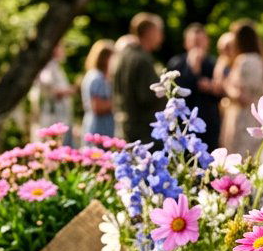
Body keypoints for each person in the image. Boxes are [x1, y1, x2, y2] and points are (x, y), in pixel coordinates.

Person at [220, 20, 263, 154]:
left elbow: (243, 97)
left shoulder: (244, 61)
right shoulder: (262, 61)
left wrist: (226, 86)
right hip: (258, 117)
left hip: (243, 118)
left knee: (238, 159)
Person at [113, 13, 165, 143]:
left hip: (126, 125)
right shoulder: (142, 60)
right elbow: (147, 96)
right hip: (143, 131)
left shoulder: (124, 56)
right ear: (150, 32)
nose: (161, 37)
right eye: (159, 32)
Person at [167, 23, 221, 149]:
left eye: (200, 41)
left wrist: (212, 87)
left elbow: (221, 92)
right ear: (186, 43)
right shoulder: (176, 64)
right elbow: (173, 92)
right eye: (194, 42)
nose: (197, 46)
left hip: (209, 122)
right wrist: (194, 71)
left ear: (207, 42)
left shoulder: (214, 63)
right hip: (182, 123)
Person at [31, 42, 76, 140]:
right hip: (53, 113)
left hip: (59, 112)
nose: (63, 51)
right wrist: (65, 91)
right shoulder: (49, 65)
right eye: (60, 47)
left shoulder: (55, 65)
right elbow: (46, 83)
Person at [80, 40, 116, 140]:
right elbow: (97, 106)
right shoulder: (97, 78)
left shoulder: (93, 75)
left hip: (97, 126)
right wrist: (117, 103)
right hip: (99, 129)